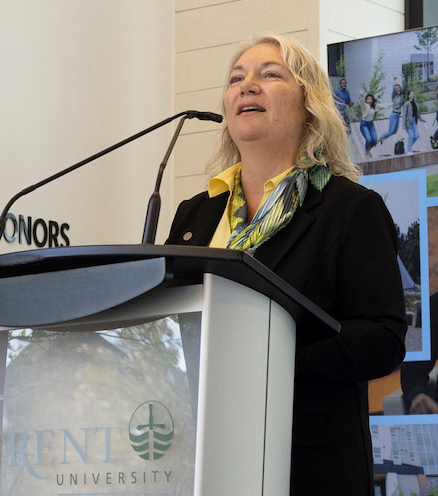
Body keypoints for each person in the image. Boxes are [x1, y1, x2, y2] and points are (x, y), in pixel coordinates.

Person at [165, 34, 407, 496]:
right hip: (197, 461)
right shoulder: (195, 213)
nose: (247, 85)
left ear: (309, 106)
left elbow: (382, 338)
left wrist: (268, 359)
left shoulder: (349, 208)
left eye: (269, 75)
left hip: (305, 464)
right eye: (237, 78)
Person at [359, 92, 378, 159]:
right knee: (369, 139)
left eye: (371, 99)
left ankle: (368, 150)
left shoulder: (374, 107)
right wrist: (361, 96)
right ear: (366, 100)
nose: (370, 101)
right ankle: (367, 152)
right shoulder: (365, 106)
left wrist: (392, 104)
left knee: (374, 140)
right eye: (368, 99)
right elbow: (362, 103)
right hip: (364, 125)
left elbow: (383, 105)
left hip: (371, 124)